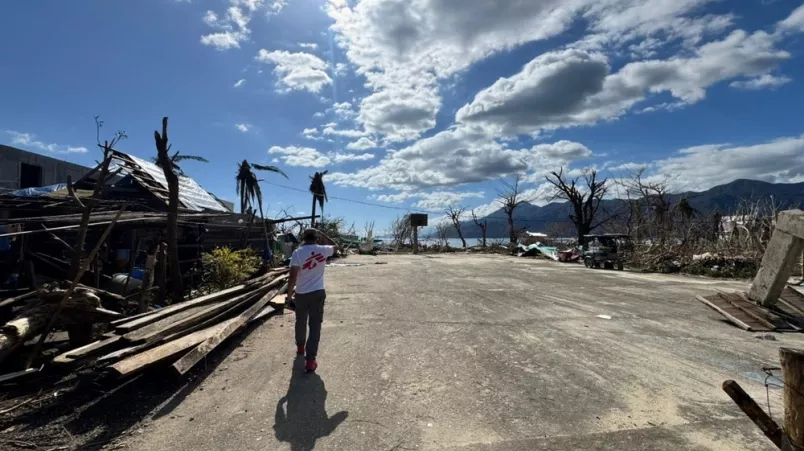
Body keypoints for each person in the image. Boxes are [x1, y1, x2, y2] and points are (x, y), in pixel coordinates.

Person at [287, 228, 339, 373]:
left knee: (300, 321)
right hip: (318, 293)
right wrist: (323, 234)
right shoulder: (324, 250)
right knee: (315, 325)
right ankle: (310, 361)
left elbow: (292, 277)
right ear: (317, 238)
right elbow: (336, 246)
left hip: (301, 293)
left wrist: (289, 296)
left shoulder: (298, 253)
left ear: (303, 238)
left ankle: (300, 347)